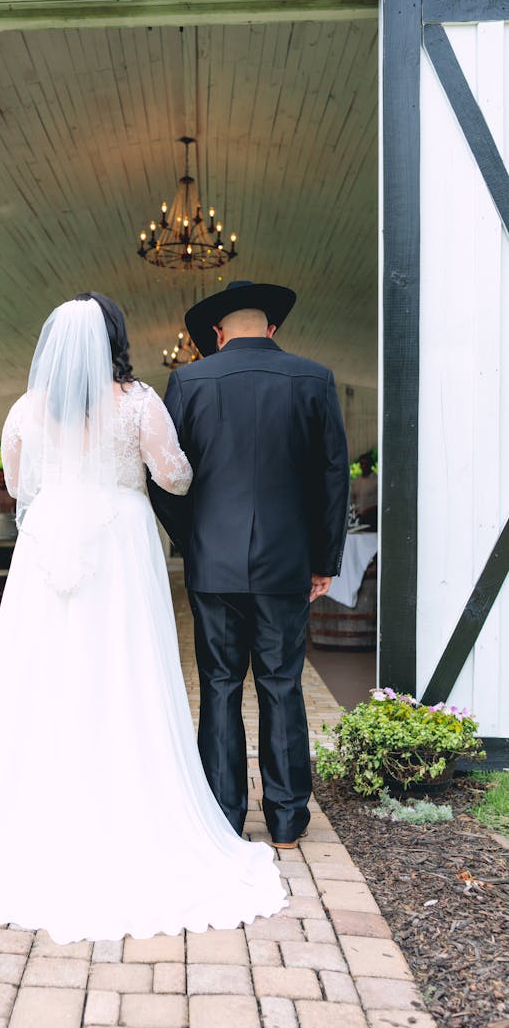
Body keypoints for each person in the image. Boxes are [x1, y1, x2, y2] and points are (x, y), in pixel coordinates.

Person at [0, 293, 287, 942]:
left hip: (49, 541)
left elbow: (17, 479)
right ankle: (127, 807)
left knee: (45, 672)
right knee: (122, 670)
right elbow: (174, 477)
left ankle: (41, 810)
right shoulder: (139, 402)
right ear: (116, 338)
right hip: (117, 544)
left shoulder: (26, 409)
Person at [148, 281, 349, 850]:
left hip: (214, 564)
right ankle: (286, 820)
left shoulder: (188, 380)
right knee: (283, 686)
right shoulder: (314, 379)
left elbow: (166, 480)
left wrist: (194, 541)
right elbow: (334, 476)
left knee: (218, 687)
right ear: (272, 329)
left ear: (217, 334)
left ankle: (223, 816)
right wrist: (323, 559)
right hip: (288, 564)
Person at [352, 452, 378, 529]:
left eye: (366, 463)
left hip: (372, 518)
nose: (363, 466)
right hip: (358, 518)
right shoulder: (356, 481)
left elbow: (380, 502)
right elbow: (352, 500)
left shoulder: (377, 480)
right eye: (362, 463)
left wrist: (369, 511)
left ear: (371, 464)